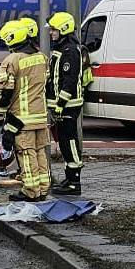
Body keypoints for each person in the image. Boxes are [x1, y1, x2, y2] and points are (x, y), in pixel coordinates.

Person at [0, 18, 50, 201]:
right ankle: (43, 188)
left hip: (21, 118)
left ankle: (31, 191)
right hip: (40, 116)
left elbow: (5, 93)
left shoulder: (12, 60)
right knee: (40, 152)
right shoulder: (42, 57)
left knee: (26, 154)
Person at [46, 11, 92, 196]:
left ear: (64, 29)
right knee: (65, 142)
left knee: (70, 141)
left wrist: (60, 104)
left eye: (54, 30)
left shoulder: (70, 50)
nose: (51, 33)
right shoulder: (62, 47)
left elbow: (69, 80)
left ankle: (74, 182)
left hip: (68, 106)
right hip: (62, 106)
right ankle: (69, 177)